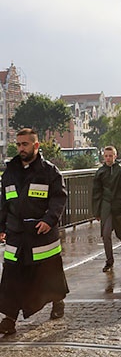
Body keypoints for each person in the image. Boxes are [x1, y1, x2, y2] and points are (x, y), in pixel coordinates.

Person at [0, 128, 69, 335]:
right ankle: (9, 318)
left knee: (48, 273)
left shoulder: (49, 171)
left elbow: (59, 198)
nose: (21, 148)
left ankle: (57, 300)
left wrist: (49, 220)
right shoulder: (10, 171)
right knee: (11, 275)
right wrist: (1, 226)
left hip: (41, 234)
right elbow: (3, 202)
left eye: (25, 144)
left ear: (36, 145)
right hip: (16, 233)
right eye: (18, 144)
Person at [92, 146, 121, 272]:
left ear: (115, 156)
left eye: (110, 156)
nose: (108, 158)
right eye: (106, 156)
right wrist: (96, 211)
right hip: (106, 206)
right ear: (103, 157)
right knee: (106, 234)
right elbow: (96, 193)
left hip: (118, 205)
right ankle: (109, 261)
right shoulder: (100, 172)